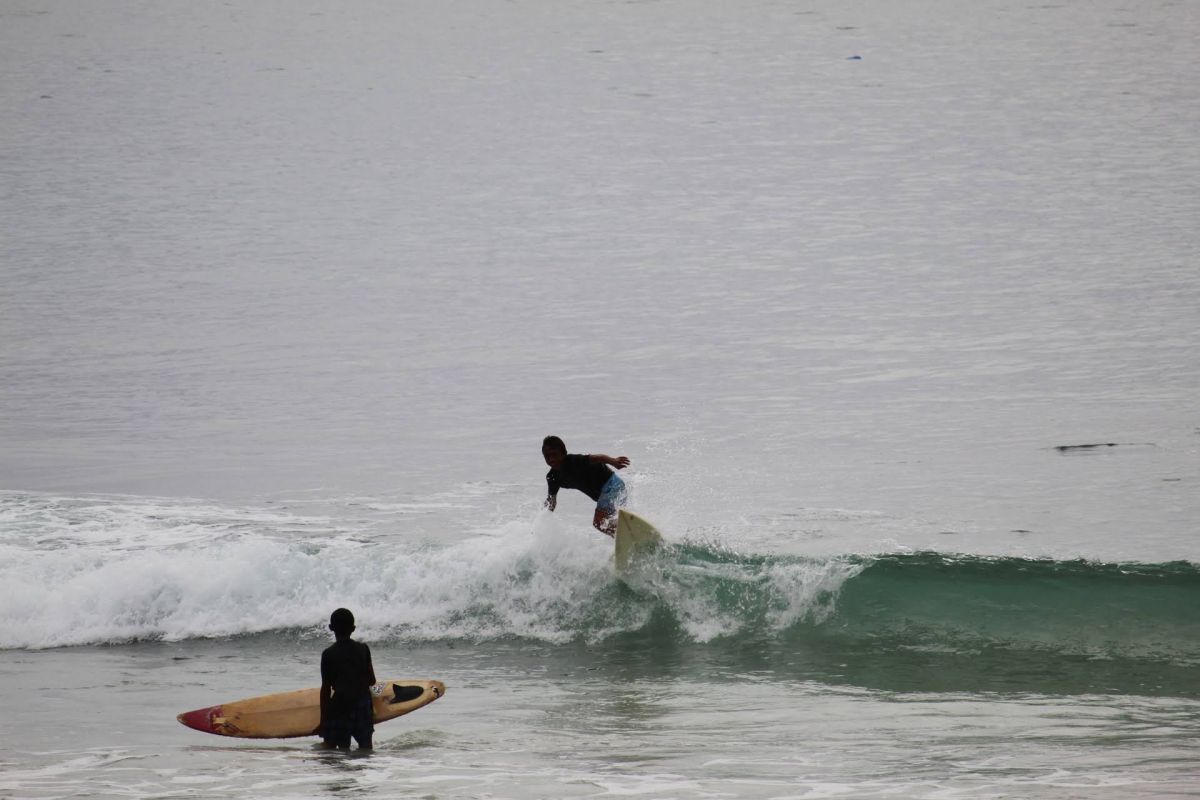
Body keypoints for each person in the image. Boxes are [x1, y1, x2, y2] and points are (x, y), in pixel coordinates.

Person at [542, 435, 630, 536]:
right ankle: (625, 538)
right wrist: (544, 518)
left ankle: (626, 535)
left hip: (612, 486)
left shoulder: (574, 461)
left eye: (554, 454)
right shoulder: (552, 477)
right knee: (605, 523)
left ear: (563, 453)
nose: (551, 459)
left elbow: (598, 458)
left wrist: (613, 461)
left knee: (599, 522)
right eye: (547, 456)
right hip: (606, 494)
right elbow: (551, 501)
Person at [317, 608, 376, 750]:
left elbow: (325, 689)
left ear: (331, 628)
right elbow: (372, 680)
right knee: (366, 748)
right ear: (353, 628)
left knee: (338, 749)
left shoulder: (328, 654)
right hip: (363, 706)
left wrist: (323, 721)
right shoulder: (363, 649)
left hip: (341, 707)